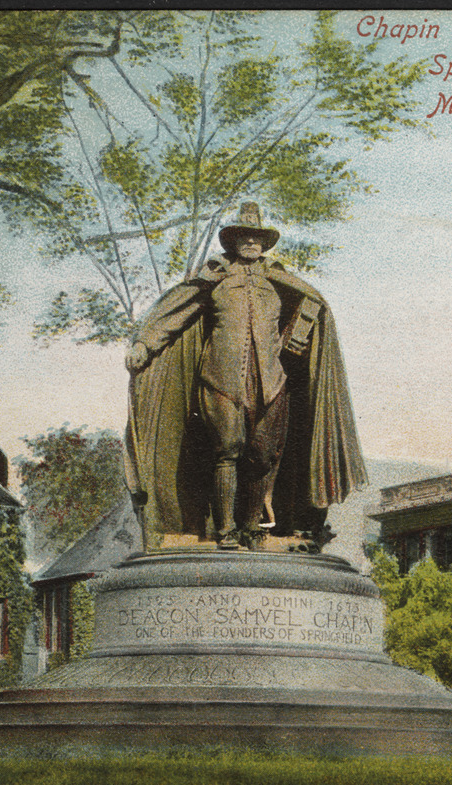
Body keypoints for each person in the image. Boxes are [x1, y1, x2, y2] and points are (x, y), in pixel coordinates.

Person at [123, 202, 366, 550]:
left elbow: (314, 303)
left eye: (257, 238)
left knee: (263, 455)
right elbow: (178, 308)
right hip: (221, 380)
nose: (251, 243)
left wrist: (307, 325)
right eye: (244, 237)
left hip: (270, 381)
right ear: (233, 242)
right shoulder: (216, 276)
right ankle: (225, 532)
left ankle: (251, 529)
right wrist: (146, 344)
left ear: (264, 243)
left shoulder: (277, 278)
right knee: (228, 450)